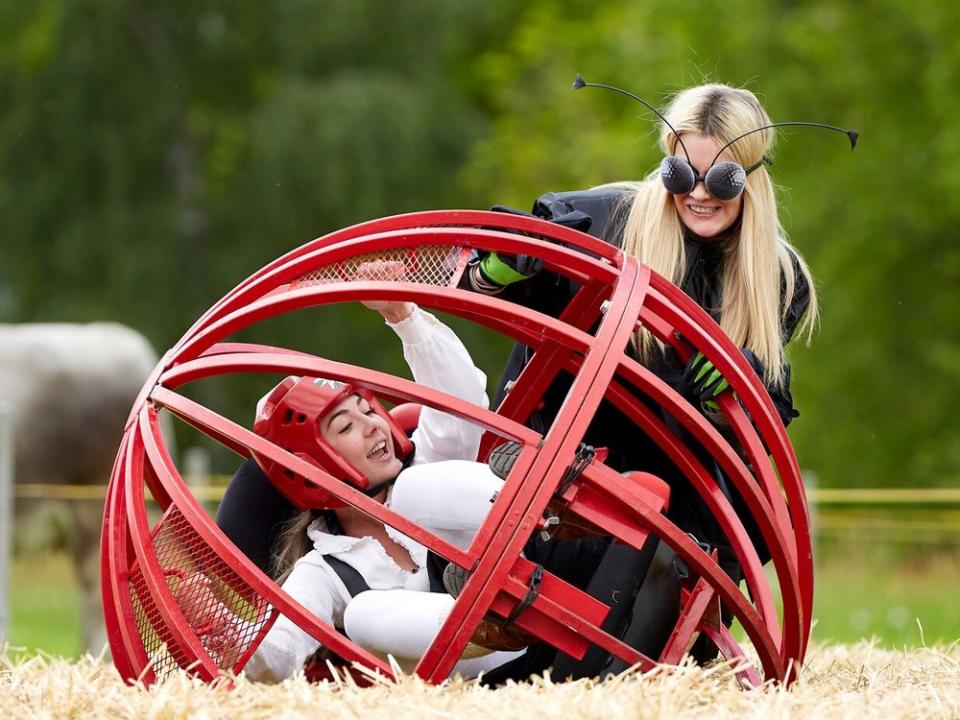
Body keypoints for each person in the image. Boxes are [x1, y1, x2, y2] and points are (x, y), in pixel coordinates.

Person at [465, 80, 850, 681]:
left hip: (679, 482)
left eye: (721, 179)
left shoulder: (776, 277)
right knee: (627, 521)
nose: (697, 194)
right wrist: (499, 264)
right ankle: (561, 677)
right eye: (680, 173)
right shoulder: (599, 220)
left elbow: (762, 420)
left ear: (752, 178)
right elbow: (476, 290)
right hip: (562, 459)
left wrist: (734, 387)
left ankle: (602, 681)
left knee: (684, 538)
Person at [207, 293, 527, 681]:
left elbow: (460, 403)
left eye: (367, 408)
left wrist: (403, 315)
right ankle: (495, 621)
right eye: (346, 426)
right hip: (502, 671)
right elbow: (275, 657)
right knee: (361, 614)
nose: (374, 423)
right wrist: (218, 623)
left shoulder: (429, 463)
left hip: (553, 560)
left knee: (415, 489)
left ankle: (546, 509)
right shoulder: (323, 573)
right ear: (310, 471)